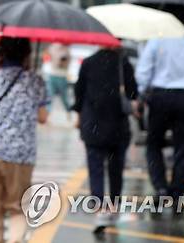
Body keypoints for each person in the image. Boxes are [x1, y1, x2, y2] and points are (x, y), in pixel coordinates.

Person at [0, 37, 48, 243]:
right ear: (27, 54)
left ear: (2, 53)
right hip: (21, 153)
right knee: (17, 208)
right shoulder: (36, 81)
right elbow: (43, 117)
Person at [135, 26, 184, 204]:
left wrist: (140, 94)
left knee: (154, 144)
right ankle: (177, 193)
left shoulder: (157, 41)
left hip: (160, 97)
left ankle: (160, 187)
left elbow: (143, 72)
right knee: (183, 147)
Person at [73, 46, 138, 231]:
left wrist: (79, 117)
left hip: (93, 124)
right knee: (116, 168)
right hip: (117, 125)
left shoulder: (88, 62)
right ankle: (114, 207)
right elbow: (133, 93)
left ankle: (100, 210)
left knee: (95, 169)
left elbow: (79, 93)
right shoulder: (123, 63)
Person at [45, 43, 72, 121]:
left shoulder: (66, 50)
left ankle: (68, 113)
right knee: (50, 96)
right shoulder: (53, 47)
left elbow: (64, 63)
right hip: (52, 75)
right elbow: (47, 56)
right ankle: (47, 115)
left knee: (64, 98)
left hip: (61, 76)